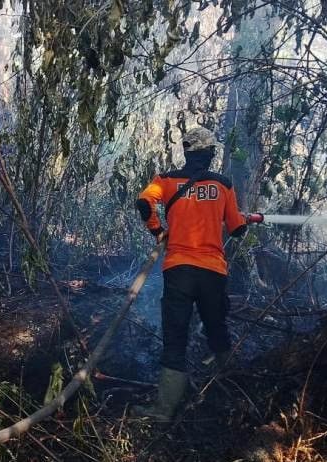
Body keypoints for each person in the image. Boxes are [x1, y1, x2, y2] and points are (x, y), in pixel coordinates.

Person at [132, 127, 247, 422]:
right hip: (212, 272)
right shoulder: (224, 185)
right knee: (217, 330)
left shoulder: (166, 180)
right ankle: (237, 395)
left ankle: (163, 410)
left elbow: (144, 203)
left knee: (175, 338)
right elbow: (237, 229)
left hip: (179, 270)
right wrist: (238, 218)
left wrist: (158, 231)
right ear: (209, 154)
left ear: (187, 152)